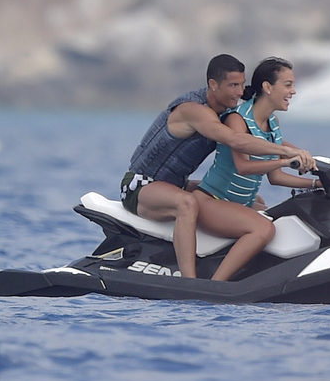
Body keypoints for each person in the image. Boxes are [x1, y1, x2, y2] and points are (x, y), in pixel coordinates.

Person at [120, 54, 314, 280]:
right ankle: (189, 282)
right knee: (187, 203)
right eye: (233, 86)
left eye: (242, 85)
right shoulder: (195, 111)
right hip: (141, 185)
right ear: (213, 84)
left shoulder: (226, 111)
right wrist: (287, 153)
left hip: (176, 184)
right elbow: (236, 140)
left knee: (256, 202)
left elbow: (261, 138)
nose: (240, 92)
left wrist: (309, 160)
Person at [200, 57, 318, 207]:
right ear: (267, 87)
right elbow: (243, 167)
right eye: (288, 85)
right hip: (217, 199)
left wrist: (316, 183)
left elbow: (276, 176)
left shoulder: (273, 122)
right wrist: (286, 161)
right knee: (266, 229)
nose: (293, 91)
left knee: (282, 222)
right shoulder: (238, 118)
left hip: (243, 204)